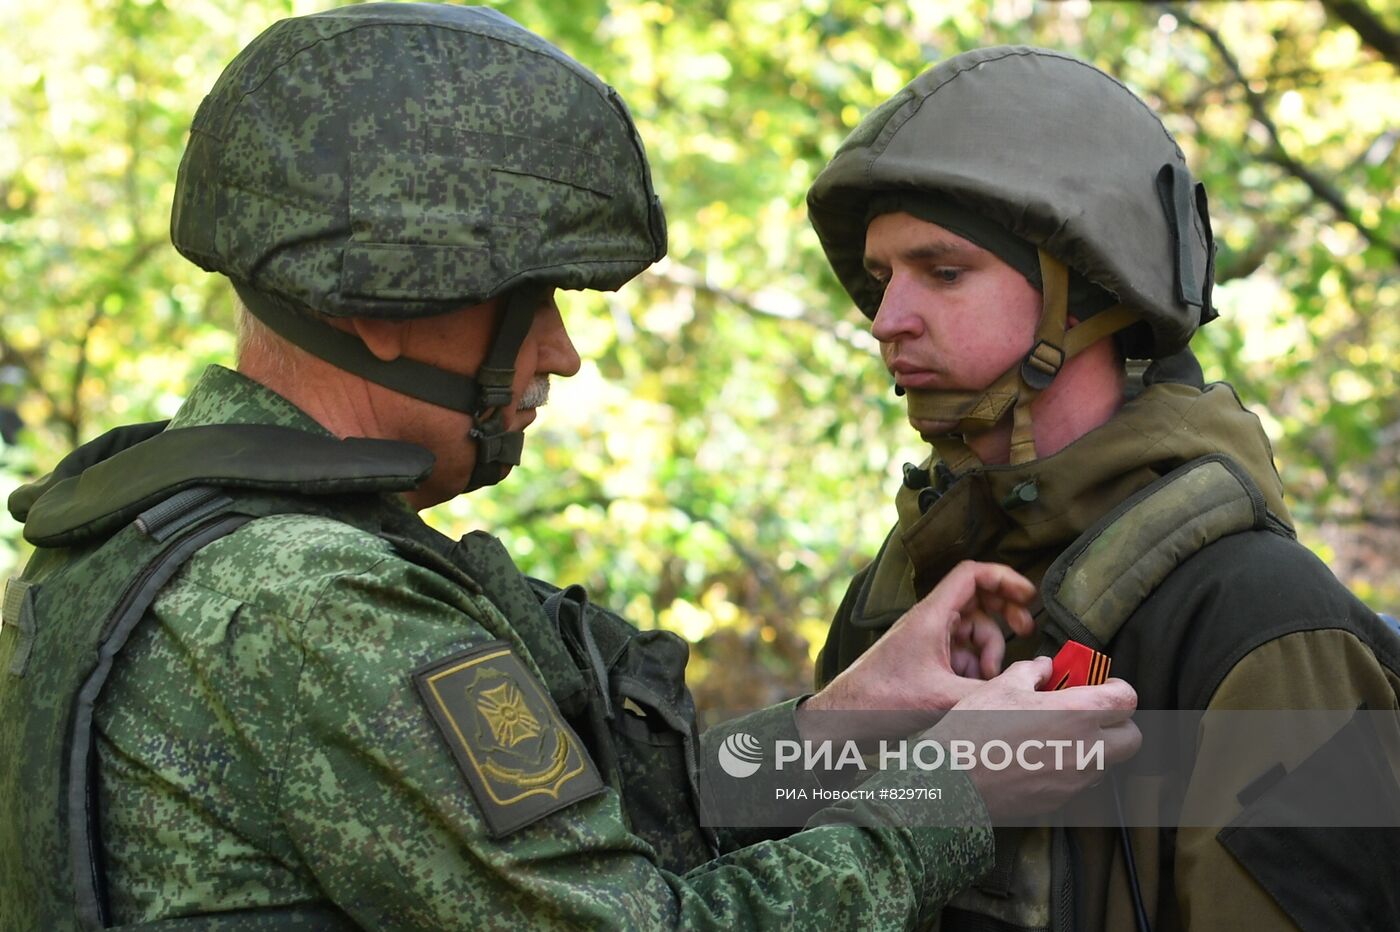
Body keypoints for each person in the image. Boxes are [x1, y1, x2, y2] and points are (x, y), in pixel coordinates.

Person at [0, 10, 1140, 930]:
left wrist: (837, 721)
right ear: (390, 298)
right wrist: (950, 796)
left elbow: (568, 844)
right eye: (530, 300)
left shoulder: (141, 530)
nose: (559, 349)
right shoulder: (307, 605)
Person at [807, 45, 1400, 932]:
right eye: (882, 278)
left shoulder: (1268, 625)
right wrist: (823, 730)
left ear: (1082, 296)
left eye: (943, 271)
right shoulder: (898, 600)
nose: (887, 319)